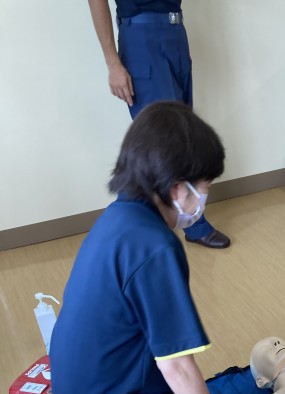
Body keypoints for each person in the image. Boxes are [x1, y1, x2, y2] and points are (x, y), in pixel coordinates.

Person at [41, 102, 259, 394]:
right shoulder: (156, 247)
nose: (205, 198)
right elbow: (175, 364)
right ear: (178, 188)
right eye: (205, 186)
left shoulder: (117, 216)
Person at [87, 0, 230, 248]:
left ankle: (190, 221)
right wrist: (112, 63)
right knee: (161, 141)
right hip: (141, 38)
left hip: (175, 32)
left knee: (183, 136)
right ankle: (120, 232)